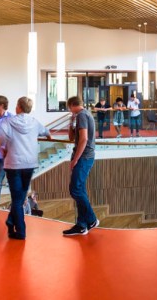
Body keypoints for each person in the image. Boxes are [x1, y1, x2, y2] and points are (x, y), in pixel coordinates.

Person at [0, 96, 49, 240]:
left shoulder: (8, 122)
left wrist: (2, 150)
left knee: (17, 199)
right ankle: (11, 221)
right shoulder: (34, 122)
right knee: (20, 197)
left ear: (18, 107)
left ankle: (20, 231)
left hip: (13, 164)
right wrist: (48, 138)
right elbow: (47, 132)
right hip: (29, 164)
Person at [63, 96, 97, 236]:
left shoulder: (83, 115)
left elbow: (83, 139)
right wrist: (71, 122)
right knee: (80, 190)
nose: (69, 110)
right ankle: (82, 225)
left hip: (83, 157)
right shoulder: (81, 116)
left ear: (72, 105)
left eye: (69, 107)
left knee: (75, 189)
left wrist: (75, 159)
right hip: (84, 157)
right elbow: (72, 138)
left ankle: (92, 219)